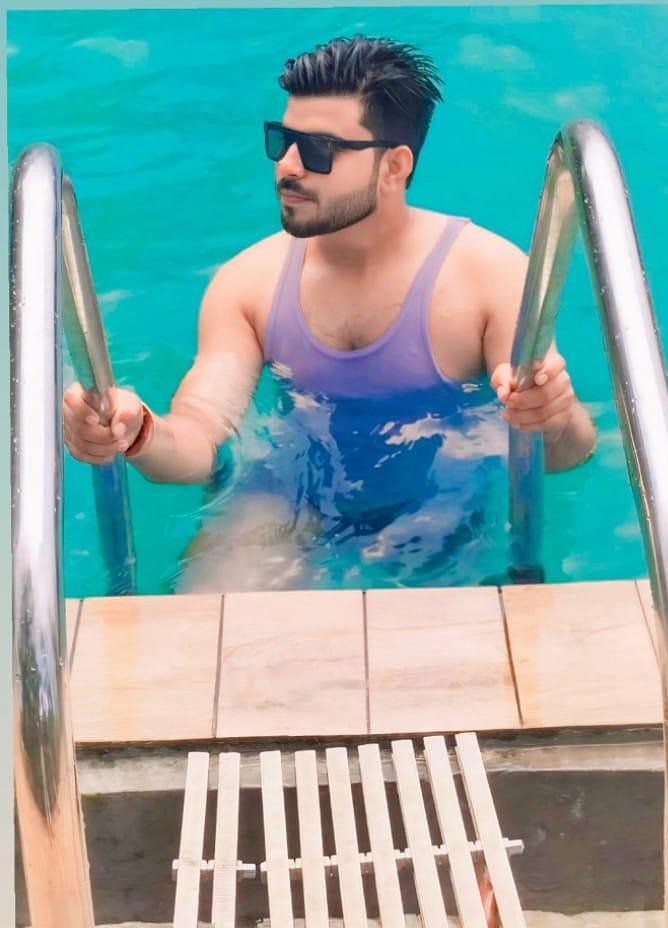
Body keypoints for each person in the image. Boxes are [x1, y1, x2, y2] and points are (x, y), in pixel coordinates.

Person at [63, 35, 597, 594]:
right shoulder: (248, 283)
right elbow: (201, 436)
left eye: (318, 150)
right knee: (205, 615)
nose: (288, 167)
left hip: (438, 500)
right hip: (289, 495)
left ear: (394, 166)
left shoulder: (487, 276)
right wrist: (136, 430)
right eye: (282, 141)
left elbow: (569, 453)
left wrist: (553, 414)